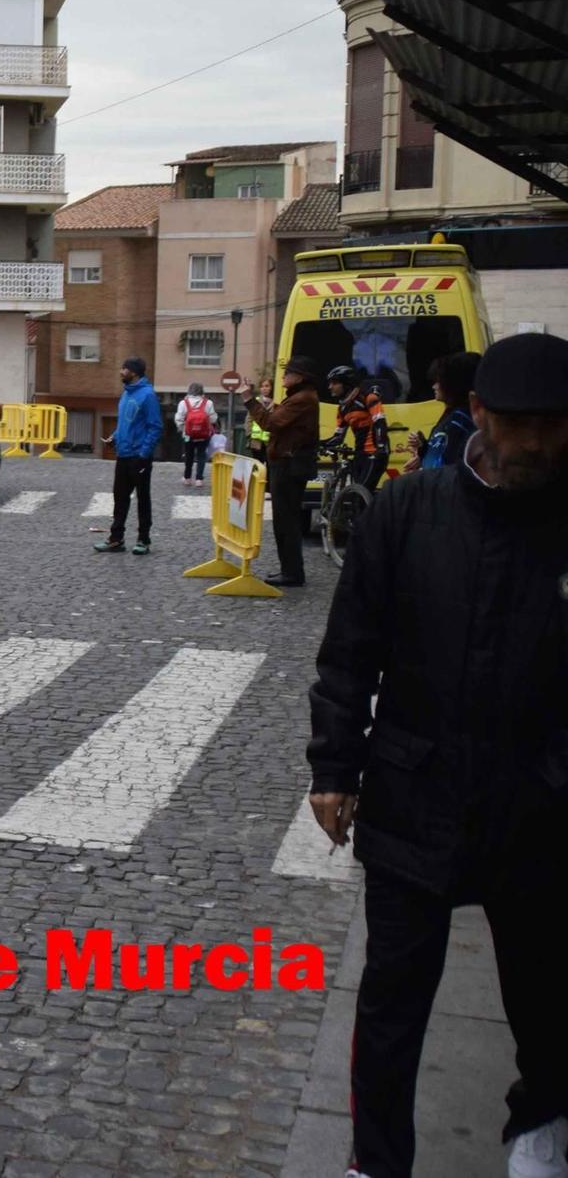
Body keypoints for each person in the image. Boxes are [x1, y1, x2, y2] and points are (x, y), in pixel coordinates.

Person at [307, 331, 568, 1178]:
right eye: (520, 424)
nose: (536, 444)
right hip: (416, 796)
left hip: (541, 810)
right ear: (481, 414)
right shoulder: (406, 511)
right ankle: (375, 1163)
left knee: (549, 1006)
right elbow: (352, 649)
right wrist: (333, 768)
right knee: (390, 1005)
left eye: (554, 426)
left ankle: (540, 1139)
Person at [239, 356, 323, 588]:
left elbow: (271, 423)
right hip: (287, 463)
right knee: (285, 520)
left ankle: (293, 573)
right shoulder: (299, 397)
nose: (284, 376)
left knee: (286, 521)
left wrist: (248, 399)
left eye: (289, 372)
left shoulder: (302, 399)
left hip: (289, 465)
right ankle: (290, 570)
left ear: (301, 377)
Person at [95, 357, 161, 555]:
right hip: (123, 455)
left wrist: (144, 453)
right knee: (120, 498)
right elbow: (126, 423)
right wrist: (114, 436)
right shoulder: (126, 394)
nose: (121, 371)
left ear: (135, 372)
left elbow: (155, 427)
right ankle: (116, 539)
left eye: (125, 368)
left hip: (139, 457)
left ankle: (143, 539)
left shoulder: (147, 395)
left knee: (143, 499)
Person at [403, 351, 480, 475]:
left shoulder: (458, 422)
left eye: (438, 381)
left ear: (452, 384)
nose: (434, 386)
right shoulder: (453, 415)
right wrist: (423, 448)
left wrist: (419, 478)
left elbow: (445, 465)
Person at [324, 364, 390, 495]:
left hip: (375, 453)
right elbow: (338, 437)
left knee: (363, 492)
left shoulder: (368, 398)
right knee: (355, 496)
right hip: (360, 454)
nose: (330, 387)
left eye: (334, 383)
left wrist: (382, 447)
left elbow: (380, 424)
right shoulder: (343, 408)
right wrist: (321, 444)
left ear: (347, 384)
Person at [175, 382, 218, 488]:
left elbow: (179, 419)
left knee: (189, 455)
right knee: (201, 455)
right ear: (202, 391)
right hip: (204, 434)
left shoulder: (183, 403)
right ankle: (199, 479)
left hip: (188, 435)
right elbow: (213, 419)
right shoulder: (208, 403)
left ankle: (187, 478)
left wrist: (183, 429)